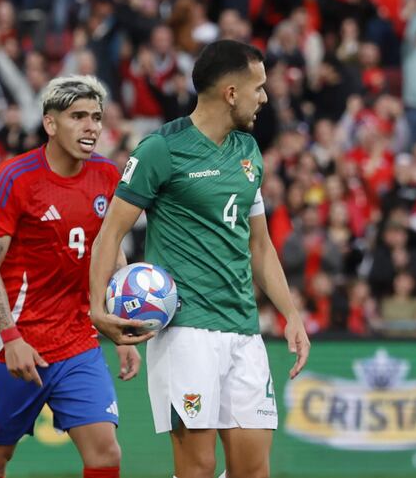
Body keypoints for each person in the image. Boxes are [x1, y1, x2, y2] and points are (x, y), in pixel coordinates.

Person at [89, 40, 311, 478]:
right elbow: (109, 234)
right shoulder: (161, 149)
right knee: (198, 468)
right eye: (259, 87)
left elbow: (260, 246)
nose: (264, 97)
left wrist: (291, 314)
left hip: (244, 330)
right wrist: (99, 309)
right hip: (185, 332)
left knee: (253, 469)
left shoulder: (248, 152)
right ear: (231, 92)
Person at [0, 75, 144, 478]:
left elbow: (111, 252)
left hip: (77, 342)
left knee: (106, 453)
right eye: (78, 116)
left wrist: (122, 327)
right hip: (13, 344)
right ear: (50, 123)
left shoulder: (107, 176)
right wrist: (12, 340)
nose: (91, 126)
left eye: (96, 117)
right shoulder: (13, 178)